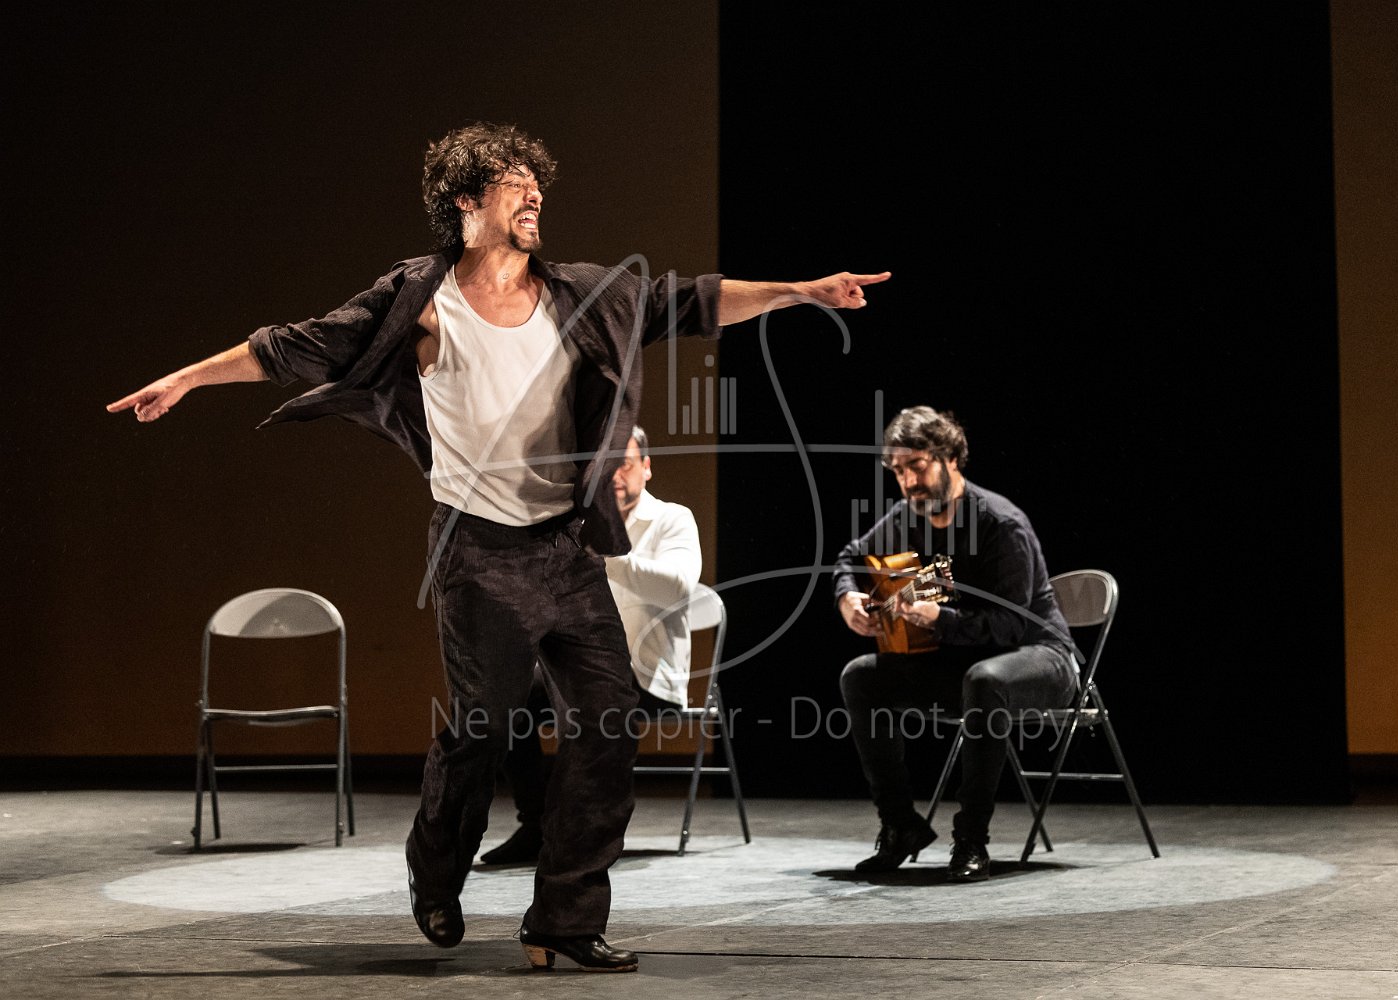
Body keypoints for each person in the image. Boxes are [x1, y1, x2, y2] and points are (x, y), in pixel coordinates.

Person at [107, 121, 888, 972]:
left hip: (567, 547)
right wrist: (187, 378)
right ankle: (436, 866)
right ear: (465, 200)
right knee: (483, 728)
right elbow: (293, 346)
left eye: (535, 181)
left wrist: (802, 292)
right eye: (514, 181)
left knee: (609, 722)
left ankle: (564, 918)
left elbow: (691, 300)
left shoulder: (582, 295)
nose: (534, 193)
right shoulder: (421, 301)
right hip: (476, 550)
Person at [833, 406, 1076, 883]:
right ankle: (900, 825)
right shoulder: (907, 517)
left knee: (984, 681)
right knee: (860, 676)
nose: (908, 481)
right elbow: (849, 557)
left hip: (1041, 658)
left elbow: (1011, 625)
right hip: (966, 663)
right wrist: (847, 597)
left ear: (949, 458)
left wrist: (939, 620)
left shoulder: (1000, 523)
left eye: (917, 465)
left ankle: (971, 840)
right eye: (898, 471)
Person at [479, 424, 702, 866]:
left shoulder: (672, 519)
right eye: (606, 466)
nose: (615, 474)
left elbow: (679, 588)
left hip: (648, 674)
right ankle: (537, 823)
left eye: (625, 464)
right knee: (506, 696)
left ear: (647, 467)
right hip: (585, 664)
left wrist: (604, 552)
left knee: (586, 695)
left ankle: (578, 829)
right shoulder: (578, 526)